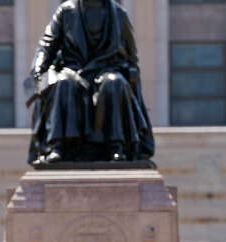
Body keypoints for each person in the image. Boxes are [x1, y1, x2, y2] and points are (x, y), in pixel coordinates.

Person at [27, 0, 154, 164]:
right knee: (63, 83)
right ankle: (57, 146)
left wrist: (132, 73)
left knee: (114, 83)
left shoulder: (119, 15)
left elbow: (132, 58)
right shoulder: (66, 12)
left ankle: (116, 146)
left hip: (106, 70)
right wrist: (38, 71)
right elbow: (46, 46)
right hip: (73, 70)